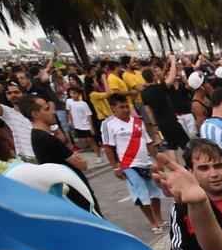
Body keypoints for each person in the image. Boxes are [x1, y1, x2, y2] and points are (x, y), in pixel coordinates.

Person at [100, 92, 167, 233]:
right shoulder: (108, 124)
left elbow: (148, 142)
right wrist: (115, 167)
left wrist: (157, 160)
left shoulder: (138, 122)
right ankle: (153, 223)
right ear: (113, 108)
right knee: (141, 194)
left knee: (155, 192)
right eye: (121, 107)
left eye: (126, 106)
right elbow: (108, 147)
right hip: (128, 165)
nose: (125, 109)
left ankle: (159, 219)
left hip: (146, 162)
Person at [20, 95, 90, 191]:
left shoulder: (39, 136)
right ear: (35, 114)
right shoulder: (46, 138)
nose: (52, 112)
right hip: (75, 193)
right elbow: (82, 165)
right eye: (47, 109)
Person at [65, 86, 99, 156]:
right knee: (84, 141)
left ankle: (98, 155)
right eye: (71, 93)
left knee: (91, 141)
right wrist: (71, 122)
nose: (72, 95)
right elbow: (69, 112)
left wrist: (91, 127)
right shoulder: (69, 101)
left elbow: (89, 115)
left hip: (86, 125)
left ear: (79, 94)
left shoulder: (83, 103)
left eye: (74, 93)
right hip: (77, 126)